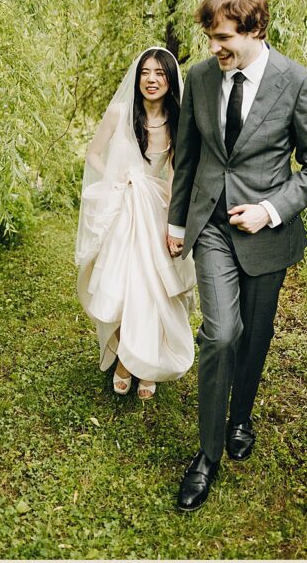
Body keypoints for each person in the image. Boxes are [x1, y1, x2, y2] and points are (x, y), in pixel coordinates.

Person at [167, 0, 307, 511]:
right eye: (210, 37)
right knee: (220, 334)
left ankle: (242, 417)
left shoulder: (298, 83)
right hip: (212, 227)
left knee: (255, 337)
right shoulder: (198, 77)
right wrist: (176, 222)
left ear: (254, 29)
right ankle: (207, 455)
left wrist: (270, 210)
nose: (214, 47)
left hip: (268, 236)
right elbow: (189, 158)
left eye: (222, 38)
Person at [76, 47, 197, 400]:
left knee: (153, 289)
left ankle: (143, 361)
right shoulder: (118, 112)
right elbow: (93, 155)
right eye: (145, 72)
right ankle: (125, 359)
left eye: (160, 73)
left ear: (170, 79)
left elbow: (175, 175)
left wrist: (175, 222)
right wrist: (118, 179)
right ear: (138, 76)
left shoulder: (178, 121)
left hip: (156, 208)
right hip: (124, 208)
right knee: (122, 288)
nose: (151, 79)